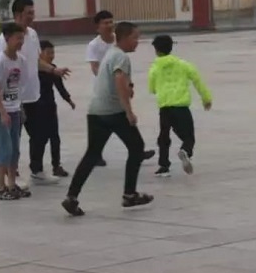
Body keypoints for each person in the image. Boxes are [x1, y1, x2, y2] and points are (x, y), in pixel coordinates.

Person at [62, 22, 155, 217]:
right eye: (135, 38)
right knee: (137, 147)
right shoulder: (121, 56)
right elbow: (119, 79)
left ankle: (71, 196)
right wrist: (128, 111)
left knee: (92, 154)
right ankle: (129, 194)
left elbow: (120, 81)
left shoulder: (111, 54)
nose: (137, 42)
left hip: (96, 112)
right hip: (113, 112)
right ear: (124, 38)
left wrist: (128, 89)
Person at [0, 0, 70, 185]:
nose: (32, 16)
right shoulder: (5, 39)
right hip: (15, 98)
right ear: (17, 15)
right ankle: (12, 175)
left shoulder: (33, 35)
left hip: (34, 95)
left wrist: (53, 70)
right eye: (29, 13)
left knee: (40, 134)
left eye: (33, 12)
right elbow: (3, 67)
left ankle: (37, 170)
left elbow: (36, 61)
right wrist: (7, 99)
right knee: (14, 138)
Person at [148, 34, 212, 177]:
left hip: (164, 107)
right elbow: (197, 81)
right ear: (171, 48)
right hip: (181, 107)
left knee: (164, 137)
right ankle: (185, 151)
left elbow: (152, 89)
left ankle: (163, 166)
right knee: (188, 137)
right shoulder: (183, 65)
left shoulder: (155, 68)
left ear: (156, 50)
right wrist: (206, 98)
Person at [0, 22, 29, 200]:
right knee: (4, 149)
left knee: (14, 149)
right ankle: (0, 186)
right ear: (7, 38)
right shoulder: (0, 61)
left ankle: (12, 184)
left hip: (15, 109)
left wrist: (20, 108)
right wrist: (2, 112)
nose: (20, 42)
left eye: (22, 38)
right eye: (17, 38)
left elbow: (19, 87)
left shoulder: (21, 60)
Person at [38, 40, 76, 178]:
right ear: (39, 54)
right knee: (39, 138)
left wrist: (69, 100)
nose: (51, 56)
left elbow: (60, 87)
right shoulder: (33, 69)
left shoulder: (53, 69)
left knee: (55, 137)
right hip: (36, 107)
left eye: (53, 53)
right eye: (48, 53)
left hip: (49, 106)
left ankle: (56, 166)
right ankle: (37, 166)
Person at [85, 9, 115, 167]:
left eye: (111, 22)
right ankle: (95, 154)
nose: (109, 25)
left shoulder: (118, 40)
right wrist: (107, 81)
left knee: (124, 118)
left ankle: (136, 149)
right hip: (103, 89)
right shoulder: (94, 45)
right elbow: (95, 67)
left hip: (119, 86)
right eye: (105, 23)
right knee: (101, 122)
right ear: (98, 27)